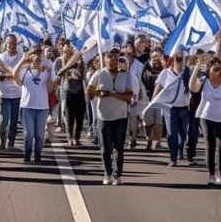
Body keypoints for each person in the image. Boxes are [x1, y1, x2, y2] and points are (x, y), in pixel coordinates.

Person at [190, 56, 221, 185]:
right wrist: (197, 66)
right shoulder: (204, 80)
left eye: (219, 65)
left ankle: (220, 171)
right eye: (214, 65)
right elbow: (192, 87)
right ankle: (211, 173)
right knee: (210, 144)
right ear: (209, 68)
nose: (216, 67)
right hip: (206, 116)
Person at [87, 49, 133, 185]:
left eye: (115, 58)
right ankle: (107, 173)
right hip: (104, 116)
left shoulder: (126, 75)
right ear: (105, 59)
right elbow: (89, 93)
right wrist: (97, 92)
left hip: (120, 116)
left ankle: (117, 175)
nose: (113, 60)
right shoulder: (99, 74)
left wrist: (112, 94)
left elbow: (129, 97)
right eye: (110, 57)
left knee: (118, 146)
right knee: (105, 148)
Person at [13, 46, 54, 163]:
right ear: (30, 56)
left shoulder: (46, 70)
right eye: (35, 53)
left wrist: (50, 74)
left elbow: (50, 89)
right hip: (27, 107)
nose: (38, 56)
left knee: (40, 134)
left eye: (39, 54)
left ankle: (37, 155)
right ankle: (27, 154)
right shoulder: (24, 71)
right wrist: (22, 61)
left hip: (42, 107)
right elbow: (15, 77)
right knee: (29, 134)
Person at [153, 54, 191, 167]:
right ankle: (173, 158)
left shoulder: (187, 73)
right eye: (176, 58)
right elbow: (158, 87)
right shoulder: (165, 73)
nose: (178, 60)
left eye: (181, 58)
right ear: (172, 59)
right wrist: (153, 103)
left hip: (184, 107)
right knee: (172, 133)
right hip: (169, 108)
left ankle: (180, 149)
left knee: (183, 133)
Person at [0, 34, 23, 150]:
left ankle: (11, 141)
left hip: (17, 94)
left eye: (13, 42)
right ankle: (2, 142)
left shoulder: (21, 56)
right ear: (5, 44)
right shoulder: (0, 57)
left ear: (16, 44)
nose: (11, 45)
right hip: (3, 93)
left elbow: (20, 74)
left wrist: (10, 75)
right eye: (9, 42)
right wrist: (9, 76)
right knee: (4, 120)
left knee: (13, 121)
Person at [56, 49, 87, 146]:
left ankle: (77, 138)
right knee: (69, 117)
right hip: (68, 94)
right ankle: (69, 137)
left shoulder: (81, 65)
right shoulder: (66, 66)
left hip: (79, 93)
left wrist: (80, 64)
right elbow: (59, 73)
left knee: (80, 118)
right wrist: (68, 66)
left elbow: (81, 77)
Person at [140, 48, 164, 151]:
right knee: (148, 120)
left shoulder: (163, 67)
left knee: (158, 120)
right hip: (148, 97)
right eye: (154, 56)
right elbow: (143, 80)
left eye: (158, 56)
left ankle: (158, 143)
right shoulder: (146, 67)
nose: (156, 58)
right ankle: (149, 141)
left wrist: (164, 65)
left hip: (160, 98)